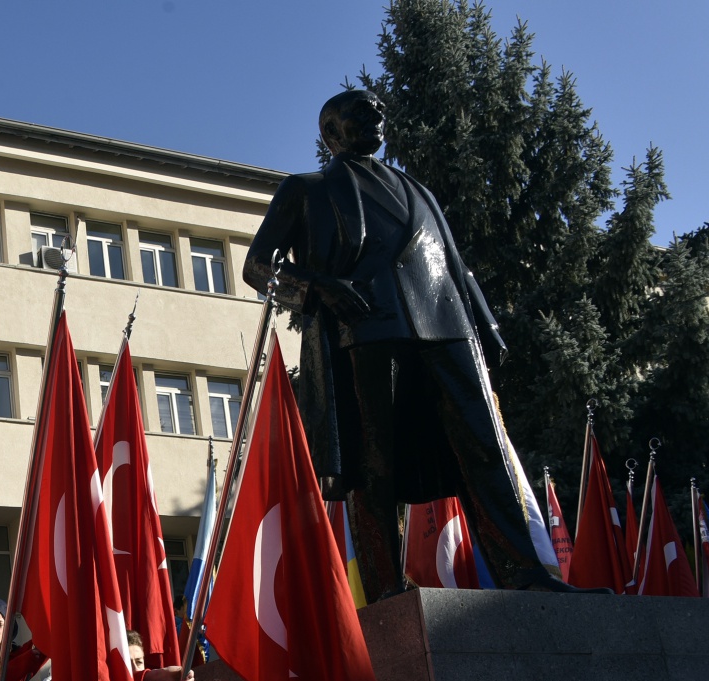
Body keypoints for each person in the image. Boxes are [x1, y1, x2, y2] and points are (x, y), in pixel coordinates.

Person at [245, 88, 578, 601]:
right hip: (367, 329)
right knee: (375, 465)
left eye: (378, 109)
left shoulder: (416, 188)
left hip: (444, 322)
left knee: (483, 446)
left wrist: (486, 324)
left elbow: (451, 261)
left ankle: (526, 573)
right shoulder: (306, 189)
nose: (376, 115)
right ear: (331, 132)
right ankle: (386, 593)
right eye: (360, 112)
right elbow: (257, 266)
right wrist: (319, 287)